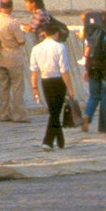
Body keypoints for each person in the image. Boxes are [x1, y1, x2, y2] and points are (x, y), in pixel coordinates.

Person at [30, 21, 71, 150]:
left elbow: (33, 72)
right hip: (58, 81)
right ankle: (47, 141)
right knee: (55, 113)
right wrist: (70, 87)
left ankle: (60, 140)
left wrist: (34, 88)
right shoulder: (60, 47)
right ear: (57, 33)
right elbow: (64, 70)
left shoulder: (36, 48)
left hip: (45, 81)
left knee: (53, 111)